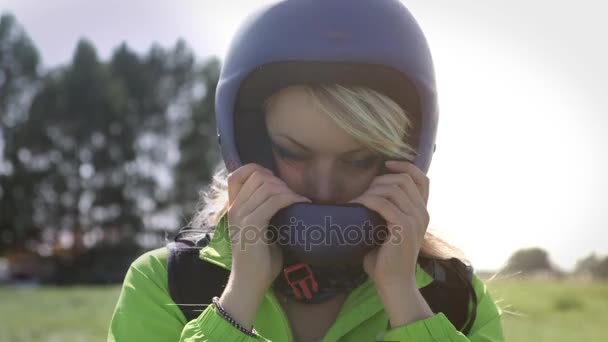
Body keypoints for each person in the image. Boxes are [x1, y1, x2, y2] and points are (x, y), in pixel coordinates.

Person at [108, 0, 505, 341]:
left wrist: (404, 297)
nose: (324, 188)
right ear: (251, 148)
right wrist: (239, 297)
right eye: (293, 153)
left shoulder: (455, 299)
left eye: (358, 160)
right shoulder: (166, 284)